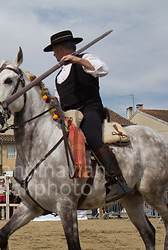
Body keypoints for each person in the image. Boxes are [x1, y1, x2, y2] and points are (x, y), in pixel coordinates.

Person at [44, 30, 132, 202]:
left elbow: (102, 70)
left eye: (54, 51)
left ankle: (116, 181)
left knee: (91, 135)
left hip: (89, 109)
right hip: (69, 115)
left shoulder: (87, 58)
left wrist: (77, 60)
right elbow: (60, 101)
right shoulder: (58, 75)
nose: (54, 55)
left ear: (61, 49)